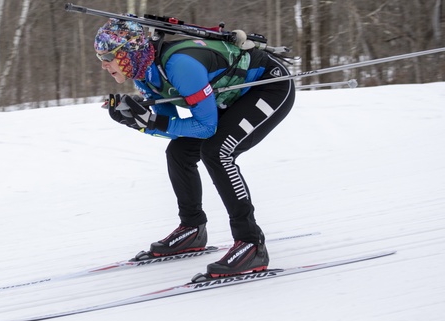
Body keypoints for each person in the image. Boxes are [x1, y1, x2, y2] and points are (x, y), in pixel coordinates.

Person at [94, 17, 295, 279]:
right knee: (179, 153)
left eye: (108, 55)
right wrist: (139, 122)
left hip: (268, 87)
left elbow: (206, 127)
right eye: (100, 57)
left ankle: (251, 243)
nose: (104, 65)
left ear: (130, 52)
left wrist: (151, 121)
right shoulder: (144, 74)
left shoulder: (181, 65)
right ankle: (192, 228)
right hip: (230, 98)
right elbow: (170, 126)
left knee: (217, 152)